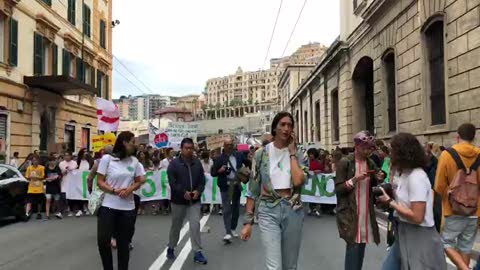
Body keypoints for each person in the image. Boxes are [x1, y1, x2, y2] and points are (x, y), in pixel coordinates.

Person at [241, 111, 306, 270]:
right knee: (274, 267)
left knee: (290, 266)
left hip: (292, 209)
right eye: (282, 124)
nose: (286, 128)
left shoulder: (299, 153)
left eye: (290, 125)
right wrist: (248, 222)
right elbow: (253, 190)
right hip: (268, 210)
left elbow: (298, 180)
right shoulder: (260, 154)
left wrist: (291, 154)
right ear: (275, 128)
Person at [379, 133, 446, 270]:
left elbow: (417, 216)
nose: (390, 154)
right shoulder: (403, 173)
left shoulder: (417, 177)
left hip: (419, 235)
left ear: (402, 153)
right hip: (403, 232)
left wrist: (390, 202)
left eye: (393, 150)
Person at [96, 131, 146, 270]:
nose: (134, 145)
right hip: (108, 206)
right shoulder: (107, 159)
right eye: (132, 142)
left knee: (123, 244)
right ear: (124, 142)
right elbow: (99, 181)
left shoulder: (134, 162)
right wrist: (113, 190)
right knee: (103, 240)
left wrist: (130, 189)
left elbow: (139, 181)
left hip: (127, 209)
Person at [334, 130, 383, 270]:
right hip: (350, 213)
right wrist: (354, 179)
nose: (368, 151)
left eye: (370, 148)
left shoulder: (370, 162)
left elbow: (377, 177)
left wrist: (379, 176)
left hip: (366, 213)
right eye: (365, 148)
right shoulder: (345, 163)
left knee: (361, 248)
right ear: (357, 146)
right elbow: (338, 189)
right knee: (353, 248)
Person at [435, 123, 480, 270]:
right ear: (474, 137)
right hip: (475, 210)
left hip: (452, 209)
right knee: (466, 247)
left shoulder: (447, 155)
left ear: (457, 136)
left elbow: (439, 186)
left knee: (446, 243)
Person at [166, 138, 207, 264]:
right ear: (181, 149)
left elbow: (202, 181)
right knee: (176, 226)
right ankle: (171, 247)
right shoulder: (173, 164)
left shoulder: (197, 163)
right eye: (186, 148)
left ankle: (197, 252)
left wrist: (198, 191)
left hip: (194, 201)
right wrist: (183, 192)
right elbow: (172, 183)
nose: (189, 150)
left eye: (191, 148)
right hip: (178, 201)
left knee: (195, 225)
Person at [211, 137, 250, 243]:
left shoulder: (239, 155)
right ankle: (228, 232)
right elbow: (213, 173)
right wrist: (220, 170)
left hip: (236, 185)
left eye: (231, 144)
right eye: (227, 145)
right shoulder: (219, 158)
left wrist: (246, 171)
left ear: (234, 145)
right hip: (225, 186)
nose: (229, 146)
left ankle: (233, 228)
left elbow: (248, 163)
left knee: (236, 209)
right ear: (224, 146)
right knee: (227, 209)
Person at [25, 155, 46, 220]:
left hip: (39, 188)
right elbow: (27, 177)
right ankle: (27, 213)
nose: (35, 161)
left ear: (38, 161)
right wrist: (30, 178)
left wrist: (37, 177)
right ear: (32, 161)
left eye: (36, 160)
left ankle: (39, 213)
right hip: (31, 187)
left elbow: (43, 177)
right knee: (29, 201)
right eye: (33, 160)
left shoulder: (42, 168)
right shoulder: (29, 168)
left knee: (39, 202)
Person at [59, 151, 78, 216]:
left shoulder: (74, 163)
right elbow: (60, 172)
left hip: (72, 182)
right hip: (64, 181)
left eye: (68, 155)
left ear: (71, 156)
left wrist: (71, 169)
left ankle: (71, 210)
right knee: (63, 196)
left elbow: (76, 171)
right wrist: (64, 171)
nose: (67, 157)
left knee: (70, 197)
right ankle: (62, 211)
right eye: (65, 155)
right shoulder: (61, 163)